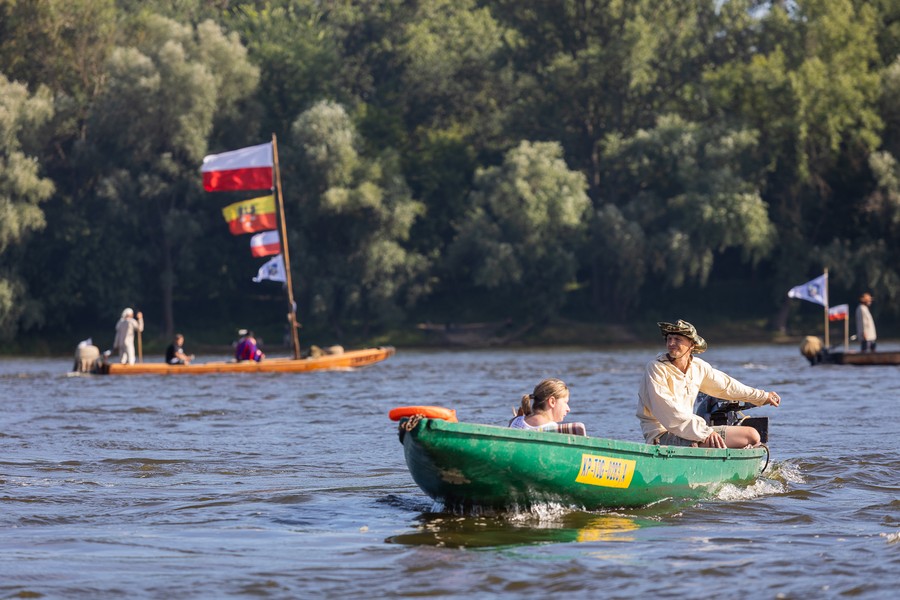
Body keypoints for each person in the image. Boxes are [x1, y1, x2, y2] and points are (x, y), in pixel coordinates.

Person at [637, 320, 780, 449]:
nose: (671, 343)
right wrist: (705, 432)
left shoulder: (698, 367)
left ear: (691, 345)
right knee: (751, 435)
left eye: (677, 339)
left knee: (752, 436)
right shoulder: (656, 368)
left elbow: (727, 386)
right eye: (669, 339)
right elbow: (668, 411)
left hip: (689, 431)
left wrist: (762, 396)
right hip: (662, 436)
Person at [508, 378, 586, 436]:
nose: (568, 409)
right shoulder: (554, 429)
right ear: (552, 402)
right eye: (565, 402)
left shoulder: (515, 421)